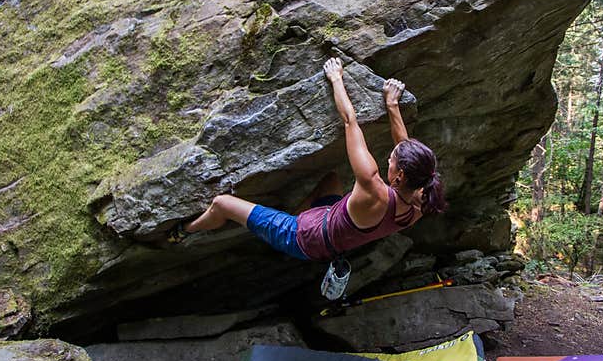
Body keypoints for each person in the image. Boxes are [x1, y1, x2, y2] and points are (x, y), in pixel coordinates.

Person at [166, 57, 446, 262]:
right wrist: (392, 105)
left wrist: (336, 79)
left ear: (399, 177)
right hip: (330, 239)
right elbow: (405, 149)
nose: (389, 157)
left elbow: (351, 122)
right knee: (332, 180)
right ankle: (290, 215)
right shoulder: (421, 203)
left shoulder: (371, 185)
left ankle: (186, 230)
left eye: (391, 161)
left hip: (301, 238)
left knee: (222, 203)